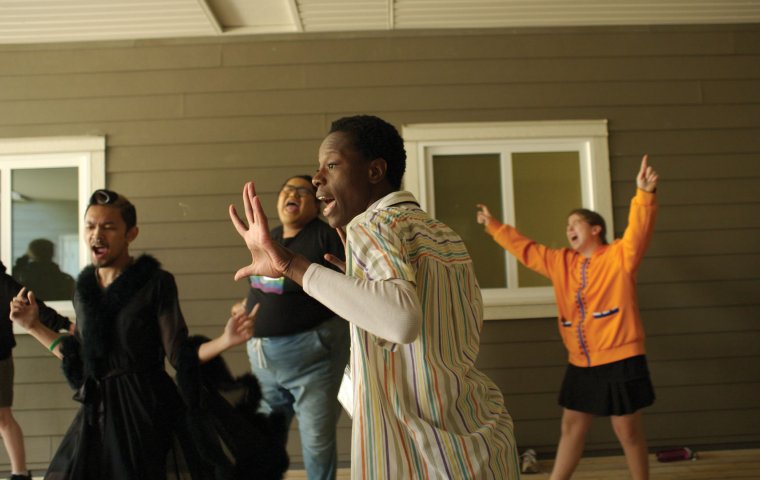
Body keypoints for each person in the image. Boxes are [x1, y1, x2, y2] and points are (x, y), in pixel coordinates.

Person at [229, 115, 520, 479]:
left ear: (374, 171)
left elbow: (401, 320)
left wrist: (292, 266)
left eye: (332, 165)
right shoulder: (441, 233)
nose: (317, 177)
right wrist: (353, 289)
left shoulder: (372, 223)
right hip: (478, 439)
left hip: (424, 454)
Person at [10, 189, 289, 480]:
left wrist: (225, 340)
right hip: (99, 414)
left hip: (146, 409)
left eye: (108, 226)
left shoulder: (155, 283)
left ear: (131, 233)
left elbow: (179, 354)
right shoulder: (84, 290)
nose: (97, 234)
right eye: (91, 226)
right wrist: (34, 326)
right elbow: (79, 358)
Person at [475, 155, 659, 480]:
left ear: (595, 228)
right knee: (571, 426)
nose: (569, 228)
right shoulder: (561, 262)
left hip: (621, 356)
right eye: (567, 226)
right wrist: (493, 226)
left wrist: (643, 194)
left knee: (627, 429)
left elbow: (638, 233)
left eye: (575, 223)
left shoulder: (619, 256)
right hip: (581, 361)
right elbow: (526, 250)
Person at [231, 175, 349, 480]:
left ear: (315, 203)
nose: (292, 194)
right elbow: (263, 285)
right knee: (264, 441)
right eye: (287, 189)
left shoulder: (325, 237)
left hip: (313, 363)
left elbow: (347, 290)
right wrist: (244, 307)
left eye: (301, 191)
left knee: (316, 442)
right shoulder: (268, 237)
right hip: (264, 365)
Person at [1, 262, 72, 480]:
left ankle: (19, 474)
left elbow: (33, 306)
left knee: (2, 416)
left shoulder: (1, 282)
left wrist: (67, 325)